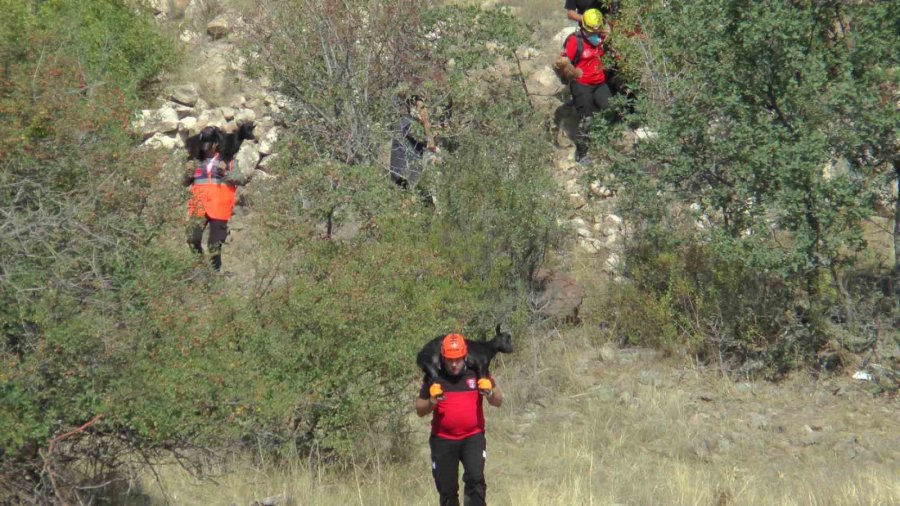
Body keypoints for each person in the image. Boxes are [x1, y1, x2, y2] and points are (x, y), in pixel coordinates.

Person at [416, 334, 503, 506]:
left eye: (457, 359)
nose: (454, 364)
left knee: (476, 482)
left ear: (465, 356)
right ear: (443, 357)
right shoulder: (434, 375)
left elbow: (498, 401)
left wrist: (490, 393)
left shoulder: (477, 371)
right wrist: (432, 402)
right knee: (447, 490)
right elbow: (419, 409)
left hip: (473, 437)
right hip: (443, 440)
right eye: (449, 360)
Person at [183, 126, 240, 271]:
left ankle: (214, 276)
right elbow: (183, 183)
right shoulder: (195, 161)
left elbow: (240, 179)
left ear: (216, 143)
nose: (206, 149)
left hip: (220, 208)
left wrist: (226, 172)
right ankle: (202, 268)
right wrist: (187, 174)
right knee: (192, 238)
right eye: (204, 146)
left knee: (214, 246)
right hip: (198, 206)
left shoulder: (228, 161)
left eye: (209, 146)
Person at [560, 8, 611, 165]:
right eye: (593, 29)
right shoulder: (574, 41)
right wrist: (573, 72)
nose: (596, 31)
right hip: (582, 85)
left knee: (612, 107)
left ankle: (603, 138)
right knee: (586, 120)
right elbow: (562, 62)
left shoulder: (602, 36)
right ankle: (582, 153)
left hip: (599, 83)